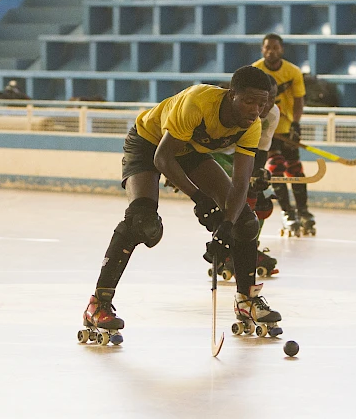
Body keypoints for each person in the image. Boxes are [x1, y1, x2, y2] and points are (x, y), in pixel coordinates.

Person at [80, 66, 283, 345]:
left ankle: (247, 299)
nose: (255, 111)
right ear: (231, 94)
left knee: (244, 222)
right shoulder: (198, 102)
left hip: (190, 150)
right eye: (249, 101)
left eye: (262, 104)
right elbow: (163, 158)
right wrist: (200, 199)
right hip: (149, 143)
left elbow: (240, 185)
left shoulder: (253, 124)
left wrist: (225, 227)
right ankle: (98, 304)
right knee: (143, 223)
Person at [209, 75, 281, 280]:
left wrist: (258, 173)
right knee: (230, 202)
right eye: (258, 100)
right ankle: (229, 247)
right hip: (217, 154)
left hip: (244, 157)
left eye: (270, 99)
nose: (264, 106)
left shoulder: (273, 114)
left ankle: (248, 246)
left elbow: (262, 148)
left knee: (263, 205)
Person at [252, 34, 315, 237]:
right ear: (262, 50)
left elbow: (298, 100)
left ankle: (303, 211)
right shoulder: (255, 71)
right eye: (268, 47)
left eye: (275, 47)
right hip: (264, 129)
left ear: (282, 49)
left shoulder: (293, 71)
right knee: (275, 168)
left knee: (295, 169)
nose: (272, 51)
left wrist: (296, 124)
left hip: (286, 127)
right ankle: (288, 213)